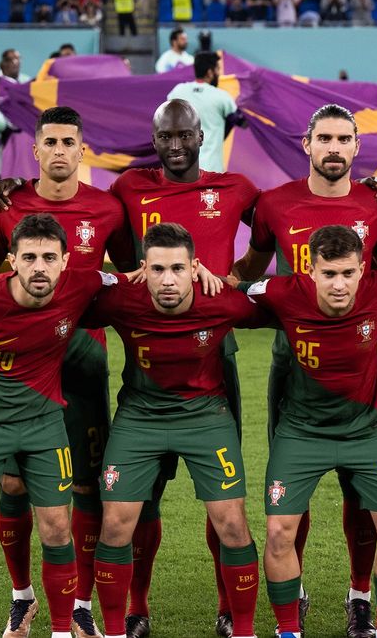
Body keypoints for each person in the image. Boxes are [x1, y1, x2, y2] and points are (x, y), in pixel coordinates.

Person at [230, 105, 377, 638]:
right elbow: (249, 271)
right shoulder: (275, 203)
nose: (332, 147)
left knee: (363, 496)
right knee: (288, 496)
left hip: (358, 362)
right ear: (306, 143)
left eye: (342, 139)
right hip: (292, 360)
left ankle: (360, 598)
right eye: (322, 137)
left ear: (355, 146)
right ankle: (293, 599)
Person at [106, 100, 260, 638]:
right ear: (155, 137)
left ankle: (227, 606)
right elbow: (115, 248)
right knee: (139, 502)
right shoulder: (128, 188)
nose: (175, 146)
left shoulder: (235, 188)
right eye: (165, 137)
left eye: (184, 136)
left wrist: (236, 276)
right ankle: (136, 608)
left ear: (202, 135)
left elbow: (274, 230)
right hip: (148, 350)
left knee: (226, 498)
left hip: (215, 352)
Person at [0, 106, 136, 638]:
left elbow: (128, 278)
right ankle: (22, 598)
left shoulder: (108, 209)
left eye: (69, 142)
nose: (60, 151)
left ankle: (81, 606)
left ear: (81, 149)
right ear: (37, 149)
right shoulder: (6, 206)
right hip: (19, 373)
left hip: (84, 367)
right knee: (14, 482)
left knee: (88, 487)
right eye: (50, 142)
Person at [0, 213, 117, 638]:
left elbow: (129, 279)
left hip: (43, 424)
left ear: (66, 261)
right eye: (30, 257)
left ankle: (58, 631)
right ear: (12, 260)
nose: (40, 267)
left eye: (49, 257)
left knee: (56, 528)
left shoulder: (82, 284)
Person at [87, 223, 267, 638]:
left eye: (178, 269)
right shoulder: (122, 300)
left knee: (233, 525)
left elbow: (287, 304)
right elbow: (62, 300)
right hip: (140, 417)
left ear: (195, 268)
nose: (168, 280)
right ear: (142, 270)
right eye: (158, 269)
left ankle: (243, 630)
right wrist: (108, 277)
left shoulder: (222, 301)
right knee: (115, 524)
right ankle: (116, 629)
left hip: (205, 417)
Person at [246, 225, 377, 638]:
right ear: (310, 270)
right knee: (278, 531)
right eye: (329, 274)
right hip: (301, 433)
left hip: (367, 431)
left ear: (364, 270)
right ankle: (288, 630)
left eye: (348, 273)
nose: (339, 284)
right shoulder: (282, 292)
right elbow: (233, 289)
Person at [166, 51, 239, 172]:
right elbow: (240, 120)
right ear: (210, 72)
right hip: (212, 171)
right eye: (218, 69)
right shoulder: (222, 97)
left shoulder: (177, 92)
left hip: (183, 169)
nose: (219, 74)